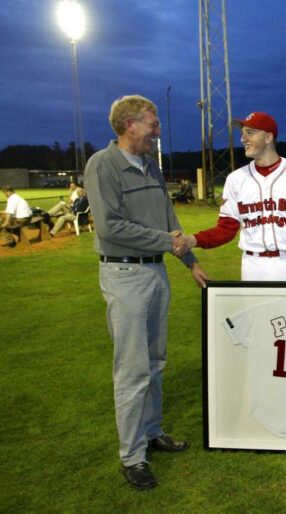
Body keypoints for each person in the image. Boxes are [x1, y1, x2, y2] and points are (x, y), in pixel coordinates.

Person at [83, 94, 209, 490]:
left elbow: (169, 222)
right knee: (132, 369)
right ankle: (132, 456)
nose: (158, 131)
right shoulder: (103, 164)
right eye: (152, 124)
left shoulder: (151, 167)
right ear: (129, 125)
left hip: (156, 274)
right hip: (124, 276)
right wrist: (164, 241)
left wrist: (191, 263)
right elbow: (109, 228)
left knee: (155, 362)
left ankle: (152, 432)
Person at [182, 112, 286, 281]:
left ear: (268, 137)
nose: (243, 138)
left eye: (250, 133)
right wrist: (193, 240)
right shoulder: (235, 179)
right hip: (252, 265)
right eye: (242, 133)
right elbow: (225, 230)